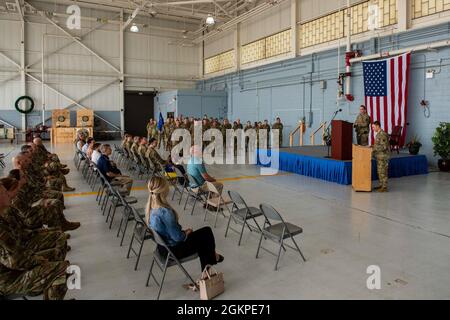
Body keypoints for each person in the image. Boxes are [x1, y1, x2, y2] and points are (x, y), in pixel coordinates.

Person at [146, 177, 223, 272]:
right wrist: (186, 233)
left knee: (204, 239)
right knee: (207, 234)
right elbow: (178, 238)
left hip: (162, 248)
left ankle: (211, 261)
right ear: (163, 190)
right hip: (173, 251)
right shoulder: (165, 212)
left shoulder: (151, 208)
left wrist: (183, 233)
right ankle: (211, 264)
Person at [372, 121, 390, 192]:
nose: (373, 129)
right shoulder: (378, 134)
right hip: (379, 156)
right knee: (379, 171)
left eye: (373, 127)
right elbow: (378, 145)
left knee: (383, 172)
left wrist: (375, 148)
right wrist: (372, 147)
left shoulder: (382, 134)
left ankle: (384, 187)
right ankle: (381, 185)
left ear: (377, 126)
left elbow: (384, 147)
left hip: (383, 156)